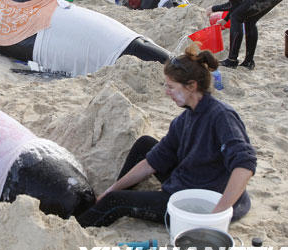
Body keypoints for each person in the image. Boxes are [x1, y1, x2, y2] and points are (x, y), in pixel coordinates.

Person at [76, 45, 257, 228]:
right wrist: (110, 190)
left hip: (204, 201)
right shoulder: (184, 119)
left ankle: (81, 225)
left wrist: (217, 214)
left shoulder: (221, 116)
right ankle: (111, 197)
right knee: (145, 144)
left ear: (191, 86)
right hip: (190, 178)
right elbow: (151, 162)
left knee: (116, 201)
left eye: (171, 87)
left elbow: (244, 164)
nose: (166, 91)